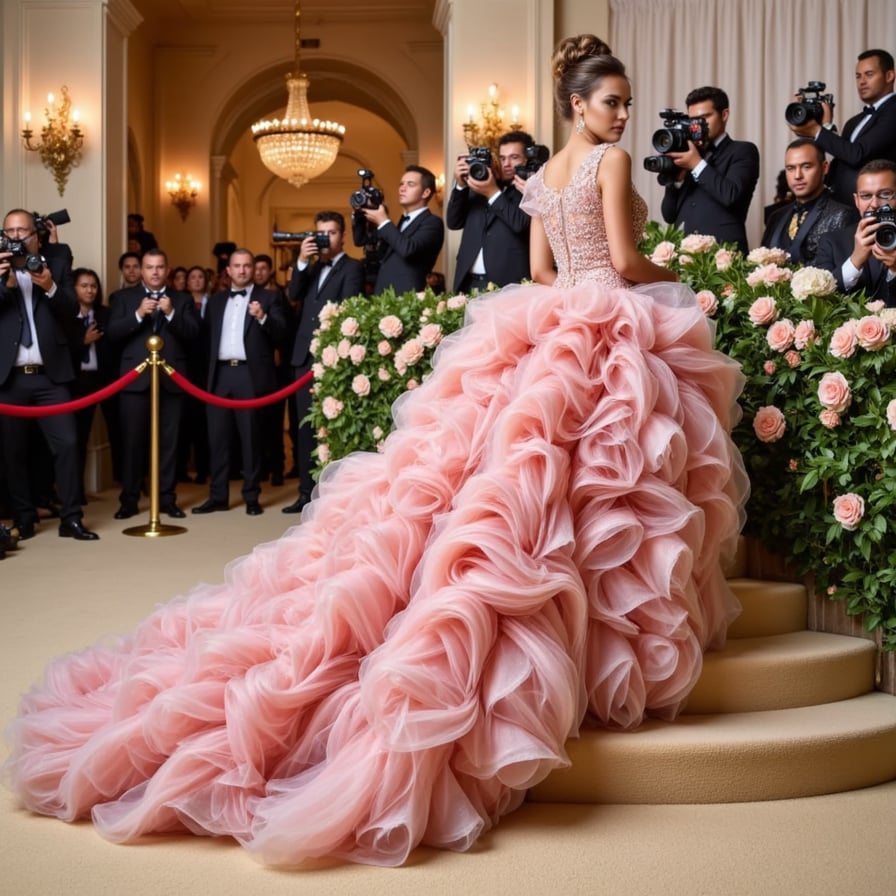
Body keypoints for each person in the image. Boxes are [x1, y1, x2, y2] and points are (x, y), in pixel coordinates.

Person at [3, 35, 747, 868]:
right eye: (612, 101)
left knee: (533, 483)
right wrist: (680, 282)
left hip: (551, 326)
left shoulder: (540, 180)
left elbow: (542, 272)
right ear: (580, 105)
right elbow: (620, 259)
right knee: (599, 487)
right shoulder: (607, 164)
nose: (623, 114)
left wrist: (581, 293)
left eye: (625, 103)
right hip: (606, 324)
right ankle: (599, 641)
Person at [0, 209, 100, 541]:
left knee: (69, 445)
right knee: (13, 452)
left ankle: (72, 518)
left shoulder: (54, 264)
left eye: (22, 231)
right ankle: (24, 518)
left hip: (51, 377)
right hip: (9, 379)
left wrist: (51, 286)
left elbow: (73, 313)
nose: (16, 237)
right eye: (9, 231)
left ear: (36, 235)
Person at [106, 248, 200, 519]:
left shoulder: (181, 300)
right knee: (132, 443)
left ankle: (168, 499)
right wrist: (137, 314)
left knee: (170, 444)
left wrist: (172, 314)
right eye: (149, 267)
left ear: (167, 270)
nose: (155, 272)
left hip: (172, 381)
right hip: (134, 381)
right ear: (142, 270)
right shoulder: (123, 298)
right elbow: (112, 334)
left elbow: (194, 334)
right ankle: (130, 500)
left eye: (160, 267)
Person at [192, 249, 286, 516]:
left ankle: (252, 496)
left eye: (247, 265)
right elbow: (205, 341)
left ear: (253, 269)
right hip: (220, 375)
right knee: (218, 439)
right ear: (228, 271)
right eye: (237, 266)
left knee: (251, 439)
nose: (243, 270)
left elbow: (282, 334)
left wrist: (263, 318)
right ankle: (217, 496)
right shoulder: (217, 301)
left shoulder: (269, 297)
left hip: (250, 375)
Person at [283, 211, 364, 514]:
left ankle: (331, 495)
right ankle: (305, 493)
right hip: (304, 357)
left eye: (330, 233)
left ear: (342, 236)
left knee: (331, 428)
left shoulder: (352, 268)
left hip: (332, 356)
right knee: (304, 429)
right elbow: (293, 293)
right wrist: (302, 262)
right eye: (320, 233)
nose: (324, 239)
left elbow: (347, 309)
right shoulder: (311, 269)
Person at [790, 49, 896, 207]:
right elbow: (842, 156)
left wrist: (816, 131)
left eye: (869, 74)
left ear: (889, 76)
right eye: (858, 76)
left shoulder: (893, 111)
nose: (862, 81)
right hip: (842, 208)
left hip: (876, 208)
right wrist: (823, 125)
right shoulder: (854, 122)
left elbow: (857, 154)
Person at [660, 86, 760, 253]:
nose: (697, 126)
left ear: (724, 114)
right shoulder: (689, 154)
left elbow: (731, 195)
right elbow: (669, 215)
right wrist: (676, 180)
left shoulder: (743, 150)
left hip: (725, 256)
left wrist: (696, 164)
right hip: (685, 257)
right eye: (693, 120)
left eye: (705, 117)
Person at [447, 130, 535, 292]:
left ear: (528, 159)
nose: (506, 164)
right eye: (502, 158)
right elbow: (453, 222)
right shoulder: (481, 184)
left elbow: (520, 224)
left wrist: (492, 193)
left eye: (514, 157)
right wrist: (460, 186)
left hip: (507, 285)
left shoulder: (533, 189)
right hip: (468, 283)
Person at [761, 139, 859, 264]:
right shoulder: (775, 217)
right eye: (790, 168)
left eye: (806, 167)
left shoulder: (843, 215)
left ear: (824, 168)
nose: (797, 175)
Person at [352, 165, 444, 294]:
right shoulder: (399, 224)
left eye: (410, 184)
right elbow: (360, 240)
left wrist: (383, 221)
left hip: (407, 298)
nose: (402, 188)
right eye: (401, 184)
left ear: (426, 192)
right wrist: (359, 213)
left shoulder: (432, 222)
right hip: (383, 297)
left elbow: (408, 249)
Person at [814, 158, 896, 304]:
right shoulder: (831, 242)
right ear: (857, 200)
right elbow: (822, 302)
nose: (875, 204)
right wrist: (855, 260)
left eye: (885, 194)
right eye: (866, 196)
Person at [71, 268, 117, 504]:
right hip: (78, 383)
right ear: (74, 288)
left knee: (120, 431)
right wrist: (83, 342)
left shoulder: (106, 314)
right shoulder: (66, 315)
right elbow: (60, 352)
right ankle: (75, 492)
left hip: (106, 380)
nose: (90, 290)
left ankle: (129, 486)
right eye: (84, 285)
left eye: (94, 286)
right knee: (77, 438)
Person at [175, 265, 212, 485]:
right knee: (182, 423)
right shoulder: (179, 303)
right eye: (193, 277)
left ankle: (204, 469)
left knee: (204, 425)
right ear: (187, 282)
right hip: (183, 369)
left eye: (201, 277)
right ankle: (181, 469)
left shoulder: (215, 303)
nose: (197, 280)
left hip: (206, 369)